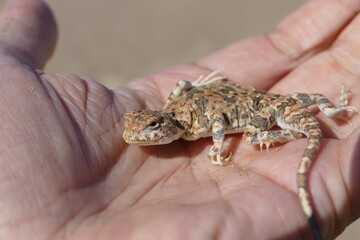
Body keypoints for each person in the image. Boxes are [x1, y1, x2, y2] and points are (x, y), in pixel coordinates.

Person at [0, 0, 359, 239]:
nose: (137, 136)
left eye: (149, 130)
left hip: (256, 108)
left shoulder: (190, 126)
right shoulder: (173, 116)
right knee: (292, 110)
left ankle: (327, 112)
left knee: (264, 132)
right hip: (250, 101)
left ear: (164, 125)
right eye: (135, 128)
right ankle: (317, 117)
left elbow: (214, 116)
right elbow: (184, 89)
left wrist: (218, 146)